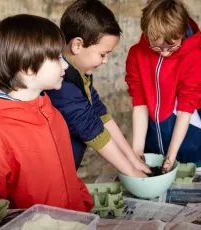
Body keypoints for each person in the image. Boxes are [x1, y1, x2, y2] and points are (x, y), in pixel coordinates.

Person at [0, 14, 93, 211]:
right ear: (28, 67)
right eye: (57, 58)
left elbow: (67, 173)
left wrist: (83, 205)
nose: (65, 65)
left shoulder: (50, 113)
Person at [46, 0, 150, 177]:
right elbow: (92, 130)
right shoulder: (60, 83)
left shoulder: (80, 72)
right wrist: (132, 172)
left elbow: (99, 113)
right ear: (77, 45)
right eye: (103, 54)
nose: (105, 61)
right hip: (50, 171)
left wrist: (132, 157)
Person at [125, 0, 201, 173]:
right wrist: (137, 151)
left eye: (172, 46)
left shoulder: (196, 56)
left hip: (189, 143)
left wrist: (171, 157)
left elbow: (186, 109)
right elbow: (140, 103)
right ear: (146, 34)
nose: (165, 53)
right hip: (153, 141)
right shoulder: (137, 54)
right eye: (156, 47)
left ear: (181, 32)